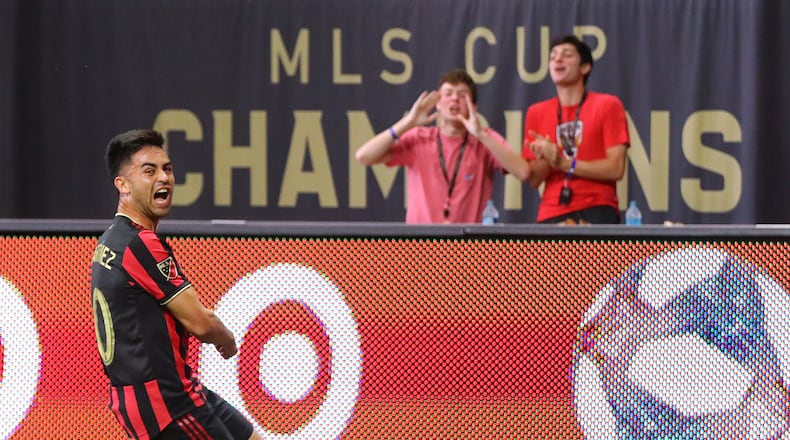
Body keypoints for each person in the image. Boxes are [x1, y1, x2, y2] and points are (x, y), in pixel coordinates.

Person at [91, 129, 261, 439]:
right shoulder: (138, 244)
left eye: (167, 169)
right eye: (149, 170)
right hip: (167, 403)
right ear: (123, 185)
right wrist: (228, 341)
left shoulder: (109, 241)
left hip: (171, 390)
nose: (164, 178)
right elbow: (200, 322)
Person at [355, 68, 530, 224]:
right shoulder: (419, 138)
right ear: (438, 104)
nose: (455, 99)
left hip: (470, 249)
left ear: (473, 107)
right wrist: (407, 123)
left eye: (462, 95)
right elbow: (363, 156)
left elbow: (523, 172)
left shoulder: (485, 139)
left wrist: (481, 135)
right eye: (448, 93)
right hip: (421, 248)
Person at [522, 35, 630, 224]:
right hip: (550, 213)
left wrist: (566, 164)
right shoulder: (536, 112)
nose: (558, 59)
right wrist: (548, 158)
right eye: (553, 56)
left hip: (597, 209)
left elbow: (616, 168)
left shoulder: (608, 105)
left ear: (585, 67)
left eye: (567, 55)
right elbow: (533, 180)